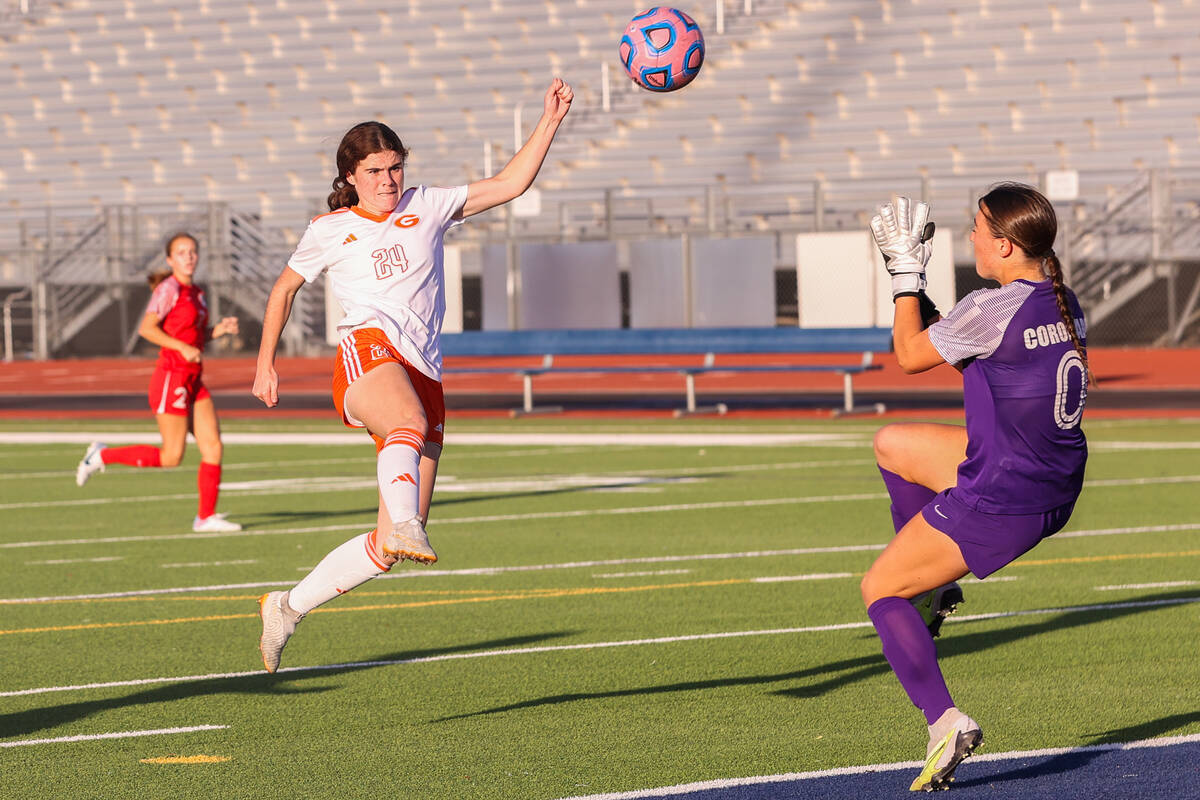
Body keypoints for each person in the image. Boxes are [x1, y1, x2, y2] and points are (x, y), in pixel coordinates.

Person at [251, 77, 574, 673]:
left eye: (395, 168)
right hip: (366, 353)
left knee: (387, 548)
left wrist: (549, 121)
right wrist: (266, 360)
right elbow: (283, 289)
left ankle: (287, 607)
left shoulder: (427, 204)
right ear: (350, 176)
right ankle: (405, 523)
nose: (388, 181)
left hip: (424, 372)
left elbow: (509, 184)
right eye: (375, 171)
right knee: (406, 431)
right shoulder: (330, 231)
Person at [863, 184, 1089, 791]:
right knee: (893, 445)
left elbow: (911, 355)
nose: (970, 237)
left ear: (1006, 245)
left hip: (1006, 492)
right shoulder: (1061, 298)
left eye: (978, 229)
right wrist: (924, 293)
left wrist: (905, 276)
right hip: (1044, 474)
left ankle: (944, 722)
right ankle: (936, 594)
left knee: (880, 588)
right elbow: (968, 344)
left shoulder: (994, 307)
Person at [75, 232, 242, 533]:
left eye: (192, 251)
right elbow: (147, 329)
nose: (189, 257)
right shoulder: (169, 289)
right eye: (181, 252)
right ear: (169, 259)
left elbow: (195, 336)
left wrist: (218, 330)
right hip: (172, 377)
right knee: (171, 456)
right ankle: (100, 455)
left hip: (193, 378)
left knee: (213, 447)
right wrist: (180, 347)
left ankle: (205, 517)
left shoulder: (197, 293)